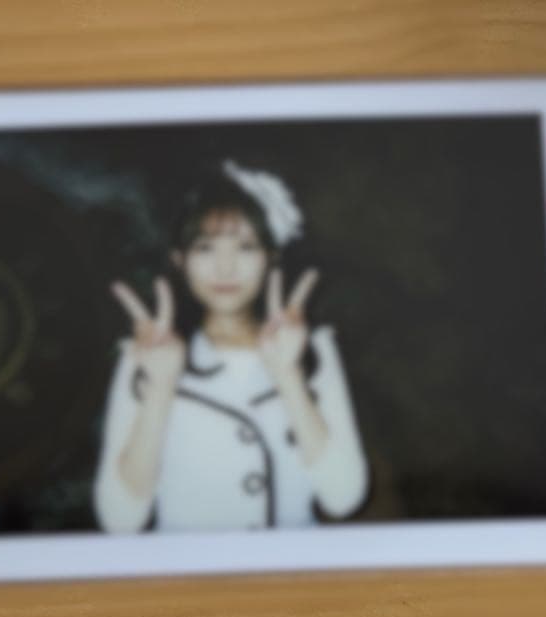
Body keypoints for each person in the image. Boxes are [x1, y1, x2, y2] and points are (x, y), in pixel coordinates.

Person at [94, 160, 369, 533]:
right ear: (179, 260)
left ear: (271, 257)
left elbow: (343, 497)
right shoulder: (147, 355)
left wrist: (288, 375)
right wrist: (160, 387)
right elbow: (120, 521)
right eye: (205, 248)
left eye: (246, 247)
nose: (225, 268)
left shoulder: (313, 350)